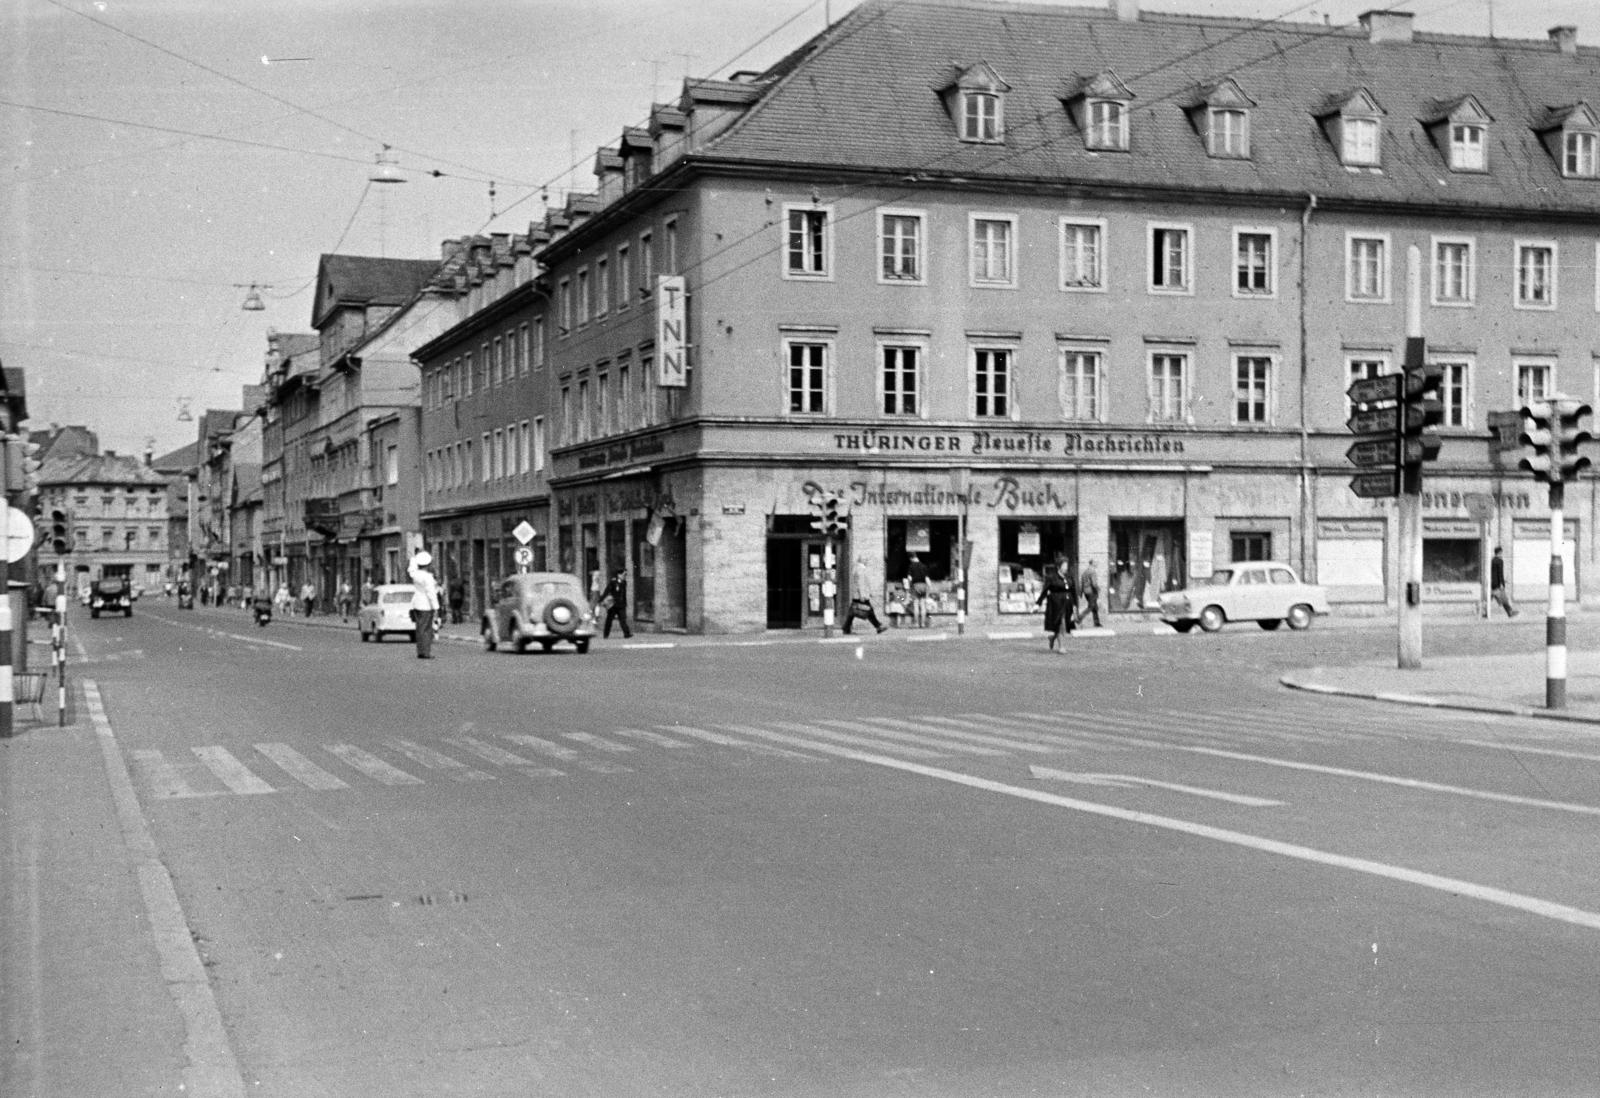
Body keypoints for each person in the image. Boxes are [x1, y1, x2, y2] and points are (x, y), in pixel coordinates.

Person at [408, 551, 442, 659]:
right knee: (426, 629)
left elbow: (411, 569)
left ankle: (420, 650)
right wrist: (436, 607)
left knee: (419, 628)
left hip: (416, 603)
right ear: (427, 564)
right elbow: (431, 593)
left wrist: (414, 558)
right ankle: (426, 652)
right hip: (426, 605)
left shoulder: (415, 574)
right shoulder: (428, 577)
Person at [1036, 559, 1075, 650]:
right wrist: (1038, 603)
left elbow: (1073, 591)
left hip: (1067, 604)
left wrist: (1075, 605)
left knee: (1064, 623)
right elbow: (1045, 591)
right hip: (1056, 604)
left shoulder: (1069, 577)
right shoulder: (1052, 577)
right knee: (1061, 623)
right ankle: (1061, 647)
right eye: (1064, 566)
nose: (1066, 568)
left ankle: (1052, 638)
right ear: (1059, 567)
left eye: (1067, 565)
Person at [842, 556, 888, 634]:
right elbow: (861, 583)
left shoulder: (857, 569)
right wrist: (862, 595)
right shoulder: (861, 570)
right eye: (865, 560)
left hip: (858, 595)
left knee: (853, 612)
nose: (867, 561)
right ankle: (878, 626)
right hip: (860, 596)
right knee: (868, 610)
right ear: (862, 561)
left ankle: (846, 628)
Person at [596, 568, 633, 639]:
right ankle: (606, 634)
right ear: (619, 574)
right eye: (624, 574)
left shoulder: (624, 582)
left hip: (621, 605)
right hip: (613, 605)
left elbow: (623, 594)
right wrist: (601, 600)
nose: (625, 576)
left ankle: (627, 634)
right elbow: (607, 591)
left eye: (626, 574)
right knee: (609, 620)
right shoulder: (613, 582)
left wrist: (625, 603)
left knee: (623, 620)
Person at [1490, 546, 1518, 618]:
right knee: (1504, 599)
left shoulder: (1492, 560)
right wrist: (1502, 583)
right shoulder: (1500, 561)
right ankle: (1510, 612)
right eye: (1501, 553)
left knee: (1488, 599)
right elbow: (1500, 573)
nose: (1502, 554)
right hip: (1497, 584)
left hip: (1491, 583)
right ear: (1499, 552)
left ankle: (1510, 612)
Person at [906, 552, 930, 628]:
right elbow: (927, 580)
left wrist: (909, 586)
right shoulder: (924, 566)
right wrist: (928, 591)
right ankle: (923, 624)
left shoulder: (911, 566)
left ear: (911, 558)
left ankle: (916, 624)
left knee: (916, 605)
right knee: (923, 606)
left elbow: (909, 578)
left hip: (915, 586)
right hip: (923, 586)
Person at [1076, 558, 1102, 628]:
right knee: (1091, 607)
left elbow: (1081, 583)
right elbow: (1094, 584)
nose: (1097, 563)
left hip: (1086, 592)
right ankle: (1079, 617)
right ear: (1092, 563)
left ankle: (1097, 623)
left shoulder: (1085, 572)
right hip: (1091, 592)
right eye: (1096, 562)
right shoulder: (1092, 571)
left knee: (1095, 607)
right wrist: (1098, 589)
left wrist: (1081, 592)